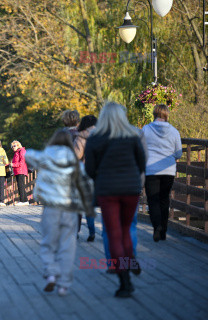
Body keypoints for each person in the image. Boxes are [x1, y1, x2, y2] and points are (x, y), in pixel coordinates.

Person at [84, 102, 146, 298]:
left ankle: (124, 282)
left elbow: (89, 169)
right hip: (130, 189)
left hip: (107, 190)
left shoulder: (95, 138)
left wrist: (101, 178)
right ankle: (130, 259)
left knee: (113, 233)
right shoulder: (132, 136)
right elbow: (142, 163)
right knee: (126, 229)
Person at [25, 129, 94, 297]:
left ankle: (50, 273)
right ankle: (64, 285)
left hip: (51, 206)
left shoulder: (47, 155)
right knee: (67, 245)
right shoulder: (74, 160)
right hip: (69, 207)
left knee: (48, 242)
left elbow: (28, 156)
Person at [142, 104, 182, 242]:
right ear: (166, 115)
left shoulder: (146, 129)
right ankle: (163, 231)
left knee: (153, 200)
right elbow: (179, 153)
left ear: (154, 114)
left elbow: (141, 149)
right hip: (168, 170)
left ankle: (157, 226)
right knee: (164, 199)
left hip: (151, 170)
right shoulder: (174, 131)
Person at [73, 115, 98, 241]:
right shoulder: (103, 135)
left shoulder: (80, 137)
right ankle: (92, 232)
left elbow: (76, 156)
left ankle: (76, 231)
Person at [11, 140, 29, 206]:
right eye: (12, 146)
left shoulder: (21, 151)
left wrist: (13, 165)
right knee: (21, 186)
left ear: (18, 145)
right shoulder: (17, 152)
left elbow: (21, 162)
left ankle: (22, 201)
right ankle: (25, 200)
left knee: (20, 186)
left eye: (14, 145)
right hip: (18, 171)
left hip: (21, 170)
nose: (13, 147)